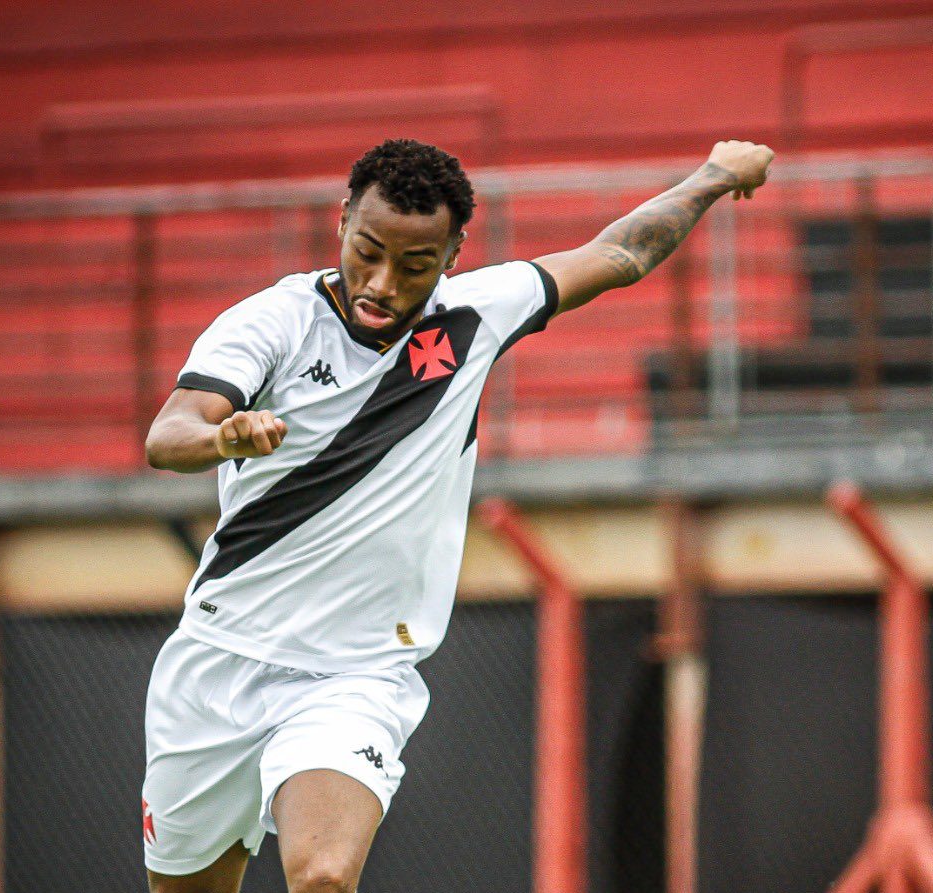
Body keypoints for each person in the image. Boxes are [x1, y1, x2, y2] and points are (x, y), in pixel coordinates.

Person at [139, 137, 774, 892]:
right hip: (217, 659)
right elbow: (167, 434)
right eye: (367, 251)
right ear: (342, 221)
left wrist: (712, 176)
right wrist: (221, 436)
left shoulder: (475, 315)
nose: (381, 283)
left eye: (413, 265)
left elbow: (618, 256)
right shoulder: (271, 323)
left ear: (451, 255)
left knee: (322, 877)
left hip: (354, 672)